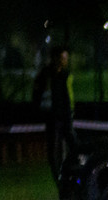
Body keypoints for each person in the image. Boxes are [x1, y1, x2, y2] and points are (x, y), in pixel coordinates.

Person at [31, 46, 75, 180]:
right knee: (54, 147)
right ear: (56, 59)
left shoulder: (65, 74)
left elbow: (68, 96)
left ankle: (74, 168)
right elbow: (37, 94)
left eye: (66, 58)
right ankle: (58, 175)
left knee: (73, 142)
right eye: (63, 58)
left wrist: (70, 111)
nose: (65, 61)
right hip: (52, 116)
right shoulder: (46, 75)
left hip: (65, 115)